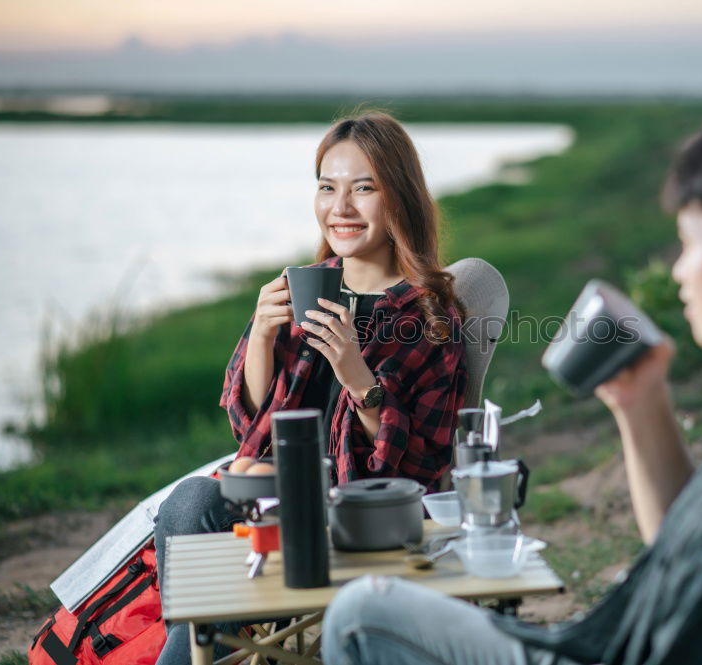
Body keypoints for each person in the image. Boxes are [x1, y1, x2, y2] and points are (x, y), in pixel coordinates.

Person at [320, 106, 702, 665]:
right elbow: (690, 549)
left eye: (691, 244)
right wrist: (642, 405)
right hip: (605, 642)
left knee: (359, 613)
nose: (678, 269)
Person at [154, 111, 468, 664]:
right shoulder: (305, 286)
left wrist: (357, 376)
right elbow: (248, 427)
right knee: (193, 498)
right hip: (276, 505)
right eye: (327, 188)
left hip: (360, 518)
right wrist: (261, 336)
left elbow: (418, 469)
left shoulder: (430, 316)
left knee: (202, 512)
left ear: (400, 198)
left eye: (363, 189)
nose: (339, 208)